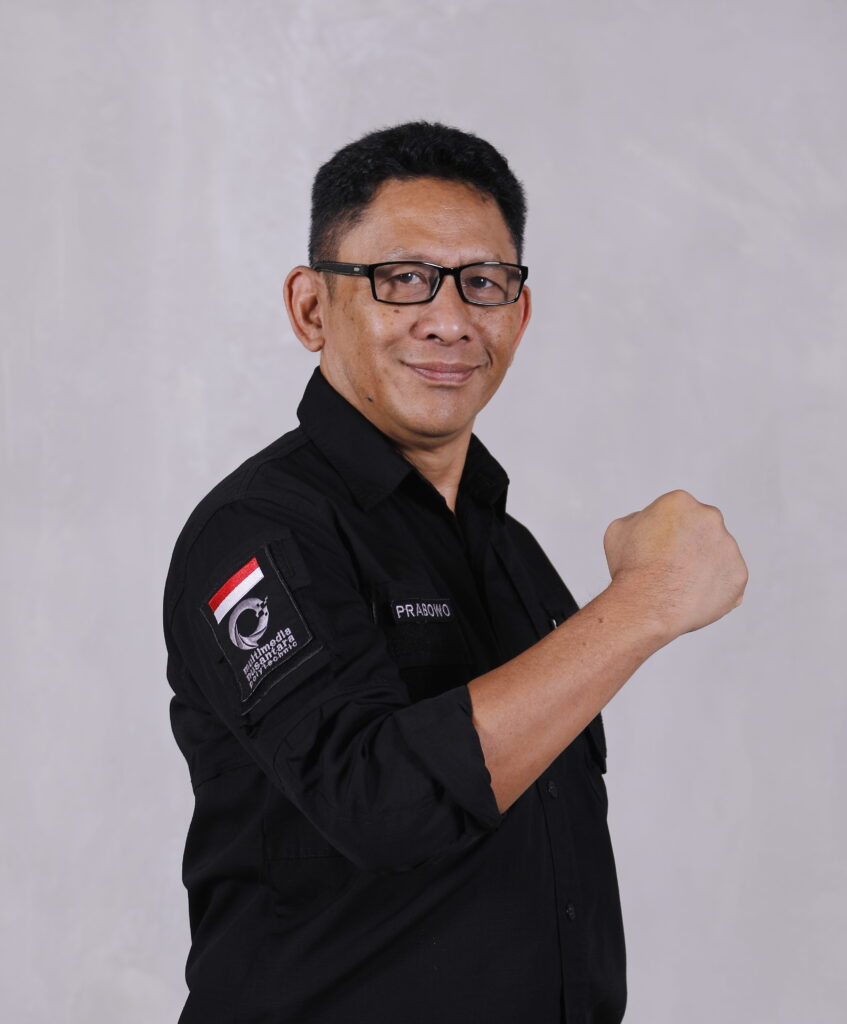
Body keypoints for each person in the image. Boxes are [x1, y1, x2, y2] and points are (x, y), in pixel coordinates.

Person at [163, 121, 747, 1024]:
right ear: (311, 308)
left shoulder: (508, 550)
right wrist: (644, 603)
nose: (449, 318)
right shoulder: (258, 534)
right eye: (401, 278)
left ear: (519, 313)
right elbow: (378, 803)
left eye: (483, 281)